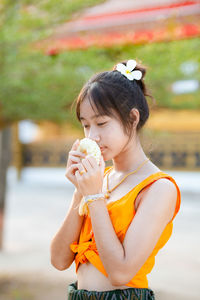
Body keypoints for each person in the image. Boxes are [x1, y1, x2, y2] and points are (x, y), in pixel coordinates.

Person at [50, 59, 181, 299]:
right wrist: (80, 192)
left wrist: (94, 196)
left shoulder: (159, 188)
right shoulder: (100, 180)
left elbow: (120, 273)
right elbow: (59, 260)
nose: (92, 136)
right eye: (86, 126)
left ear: (132, 118)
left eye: (101, 123)